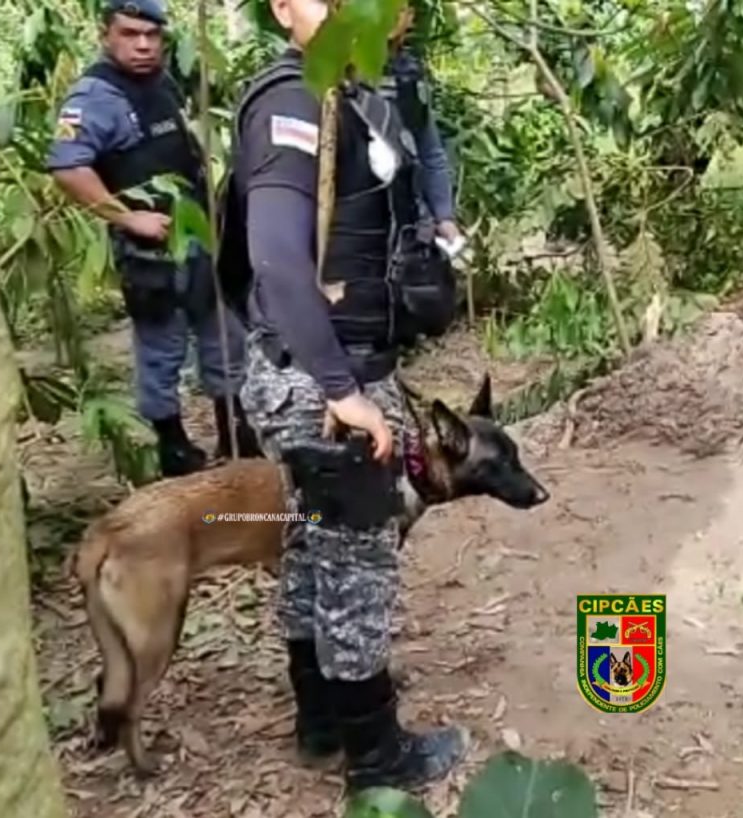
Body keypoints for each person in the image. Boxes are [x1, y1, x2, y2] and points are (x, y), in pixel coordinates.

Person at [219, 0, 466, 792]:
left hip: (324, 366)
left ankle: (322, 723)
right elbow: (276, 261)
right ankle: (378, 764)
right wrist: (339, 387)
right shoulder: (293, 101)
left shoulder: (360, 98)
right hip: (325, 380)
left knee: (316, 543)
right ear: (284, 8)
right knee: (357, 565)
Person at [46, 0, 261, 477]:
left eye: (152, 35)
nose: (143, 45)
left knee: (222, 333)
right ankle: (174, 448)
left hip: (196, 234)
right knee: (160, 347)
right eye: (130, 34)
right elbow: (68, 168)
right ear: (106, 35)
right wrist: (127, 219)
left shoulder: (161, 83)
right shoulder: (94, 97)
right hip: (150, 251)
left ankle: (235, 433)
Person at [379, 6, 463, 246]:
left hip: (409, 221)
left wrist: (444, 216)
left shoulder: (409, 75)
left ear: (410, 17)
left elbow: (430, 153)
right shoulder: (341, 73)